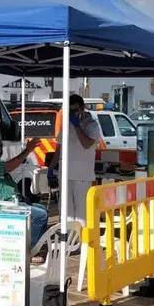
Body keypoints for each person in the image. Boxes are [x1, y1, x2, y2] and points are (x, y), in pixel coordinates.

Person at [0, 133, 49, 262]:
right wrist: (28, 150)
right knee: (40, 216)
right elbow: (10, 166)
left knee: (42, 209)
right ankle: (28, 252)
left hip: (12, 203)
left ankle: (33, 247)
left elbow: (9, 166)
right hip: (4, 207)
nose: (2, 149)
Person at [50, 94, 100, 226]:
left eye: (75, 110)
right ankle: (68, 242)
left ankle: (82, 242)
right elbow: (58, 150)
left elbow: (86, 144)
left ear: (83, 108)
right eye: (70, 111)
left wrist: (77, 126)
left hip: (82, 175)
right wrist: (51, 168)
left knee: (81, 213)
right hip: (65, 173)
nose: (73, 113)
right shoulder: (66, 126)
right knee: (66, 211)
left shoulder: (92, 125)